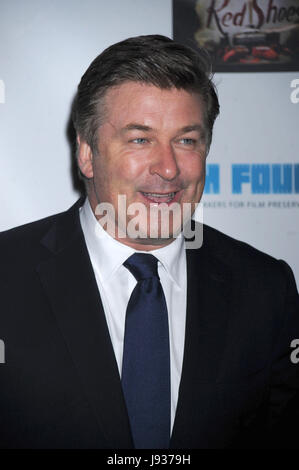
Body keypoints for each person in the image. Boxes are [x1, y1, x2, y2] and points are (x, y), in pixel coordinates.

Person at [0, 35, 298, 450]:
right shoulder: (5, 277)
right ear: (87, 153)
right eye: (140, 139)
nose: (169, 167)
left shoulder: (266, 288)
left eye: (186, 140)